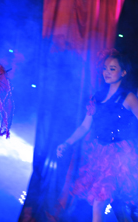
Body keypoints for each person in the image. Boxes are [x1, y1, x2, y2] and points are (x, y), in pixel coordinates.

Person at [57, 50, 138, 222]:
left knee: (99, 202)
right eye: (105, 68)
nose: (106, 72)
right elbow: (85, 126)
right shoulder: (97, 97)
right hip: (99, 155)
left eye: (112, 68)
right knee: (116, 206)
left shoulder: (128, 97)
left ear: (123, 72)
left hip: (119, 157)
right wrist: (67, 143)